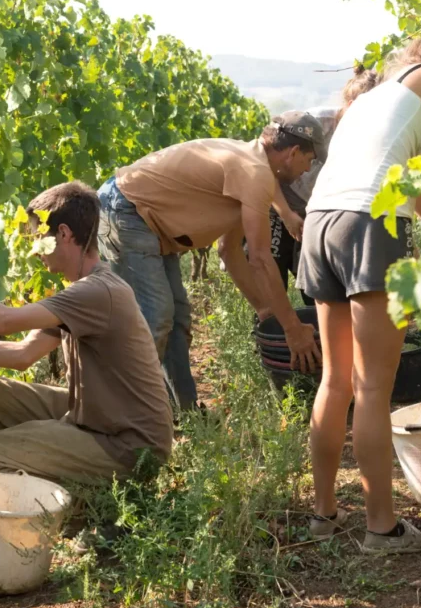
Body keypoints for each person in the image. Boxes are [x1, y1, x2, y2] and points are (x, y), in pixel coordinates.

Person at [295, 33, 421, 554]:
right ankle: (381, 529)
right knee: (372, 387)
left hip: (321, 224)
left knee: (336, 381)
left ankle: (323, 516)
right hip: (368, 224)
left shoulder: (373, 107)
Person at [96, 113, 326, 411]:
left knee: (177, 317)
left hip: (146, 221)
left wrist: (264, 309)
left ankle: (184, 412)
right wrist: (292, 329)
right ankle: (123, 415)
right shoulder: (254, 171)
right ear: (293, 152)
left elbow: (229, 250)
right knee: (157, 317)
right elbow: (260, 259)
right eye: (309, 160)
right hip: (126, 209)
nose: (307, 169)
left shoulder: (254, 167)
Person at [0, 181, 174, 485]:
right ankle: (62, 466)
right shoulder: (81, 292)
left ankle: (74, 502)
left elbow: (1, 322)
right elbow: (23, 354)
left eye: (38, 237)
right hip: (98, 418)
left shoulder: (96, 292)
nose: (34, 250)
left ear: (64, 234)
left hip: (131, 446)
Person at [266, 67, 381, 307]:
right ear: (350, 106)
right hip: (277, 204)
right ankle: (271, 329)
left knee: (316, 287)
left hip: (315, 214)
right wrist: (285, 213)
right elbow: (264, 163)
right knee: (271, 278)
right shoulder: (313, 123)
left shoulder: (369, 138)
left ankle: (315, 330)